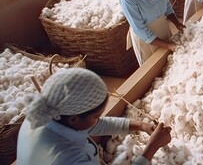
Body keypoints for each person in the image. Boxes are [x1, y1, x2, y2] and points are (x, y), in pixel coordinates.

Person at [17, 68, 172, 165]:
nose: (99, 119)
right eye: (97, 116)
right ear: (74, 119)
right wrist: (152, 147)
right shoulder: (66, 159)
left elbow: (94, 124)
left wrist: (140, 125)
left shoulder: (46, 112)